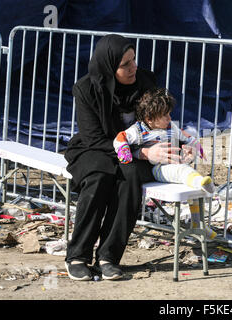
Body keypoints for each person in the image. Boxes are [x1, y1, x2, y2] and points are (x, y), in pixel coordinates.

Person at [64, 34, 182, 281]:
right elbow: (93, 138)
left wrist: (179, 143)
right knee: (98, 178)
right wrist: (140, 152)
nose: (133, 68)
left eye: (134, 60)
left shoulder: (145, 82)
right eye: (125, 64)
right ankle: (78, 256)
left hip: (137, 149)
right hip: (96, 148)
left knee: (129, 179)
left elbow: (159, 120)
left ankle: (108, 257)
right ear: (109, 66)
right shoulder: (86, 89)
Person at [113, 87, 217, 239]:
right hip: (158, 168)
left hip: (175, 162)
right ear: (150, 119)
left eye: (169, 114)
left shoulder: (171, 126)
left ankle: (198, 223)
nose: (169, 118)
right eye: (164, 115)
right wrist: (124, 151)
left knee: (192, 189)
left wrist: (196, 146)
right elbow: (121, 137)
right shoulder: (139, 131)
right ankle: (200, 182)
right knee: (182, 172)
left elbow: (185, 135)